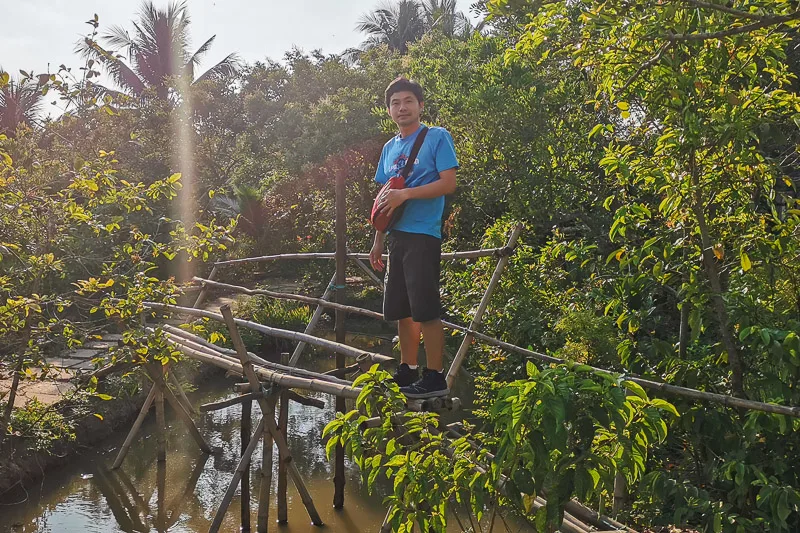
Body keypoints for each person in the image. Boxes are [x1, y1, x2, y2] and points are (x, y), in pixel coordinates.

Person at [369, 77, 458, 399]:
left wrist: (407, 194)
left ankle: (435, 376)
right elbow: (384, 196)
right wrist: (378, 239)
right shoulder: (390, 147)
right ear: (388, 109)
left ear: (420, 105)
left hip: (423, 234)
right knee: (401, 309)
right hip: (397, 236)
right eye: (395, 103)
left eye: (408, 101)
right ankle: (407, 370)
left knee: (425, 308)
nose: (402, 107)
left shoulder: (436, 137)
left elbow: (448, 184)